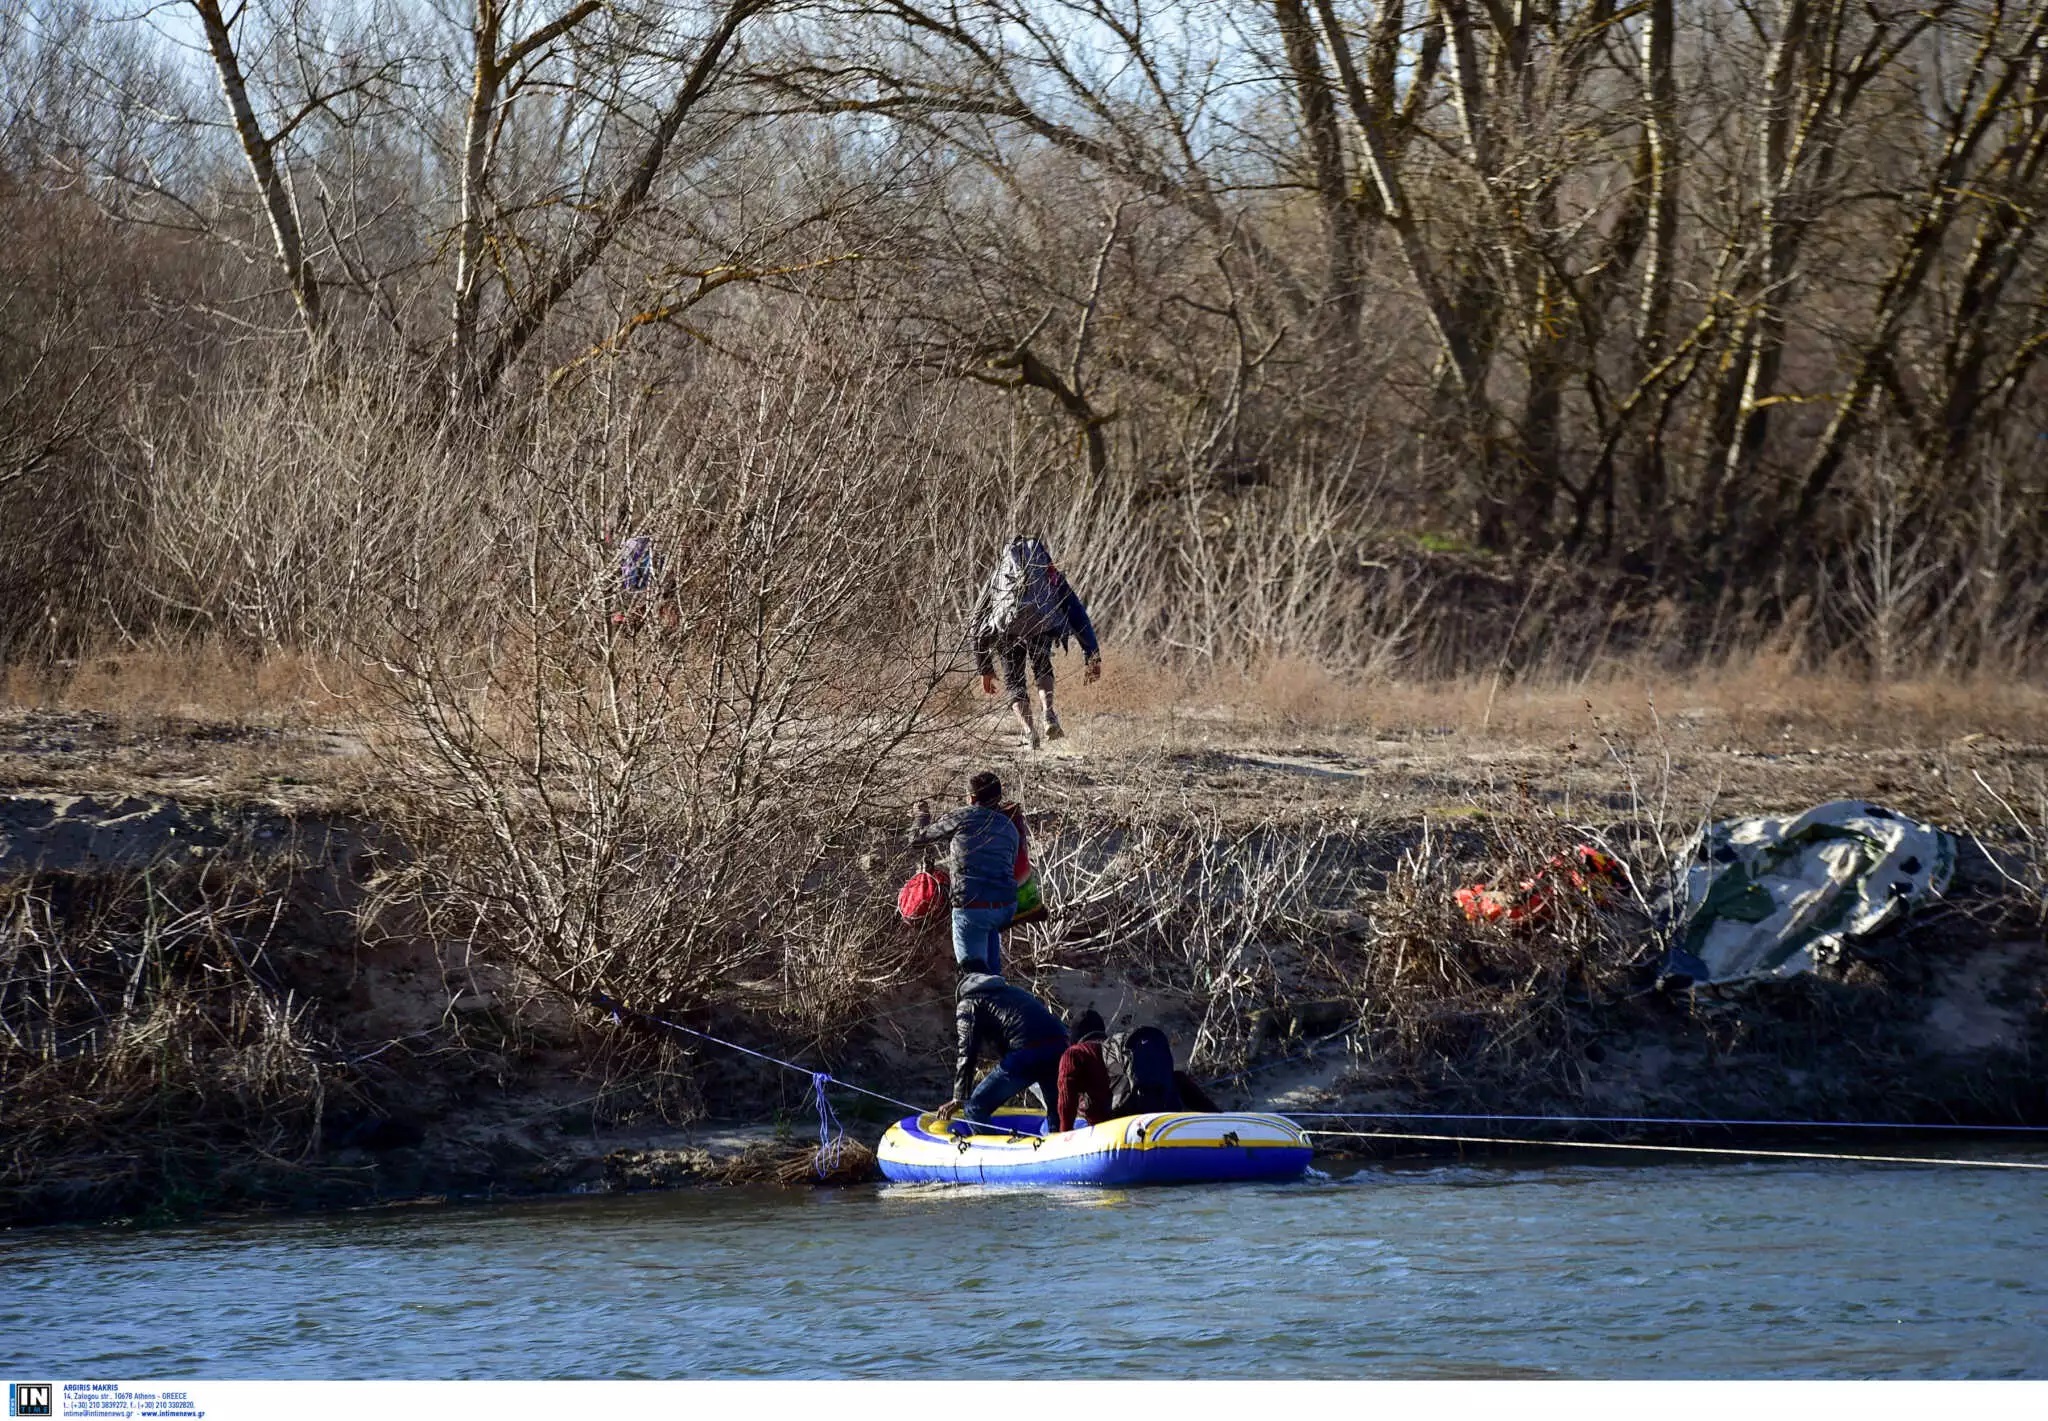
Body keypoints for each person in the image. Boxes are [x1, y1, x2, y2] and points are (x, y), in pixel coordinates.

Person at [971, 536, 1102, 749]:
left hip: (1007, 632)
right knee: (1042, 666)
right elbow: (1077, 613)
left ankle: (1030, 732)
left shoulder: (998, 577)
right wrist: (1092, 653)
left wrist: (984, 666)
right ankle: (1048, 713)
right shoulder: (1049, 576)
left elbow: (977, 620)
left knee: (1014, 680)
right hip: (1041, 626)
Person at [907, 769, 1021, 975]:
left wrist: (921, 816)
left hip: (973, 905)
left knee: (973, 977)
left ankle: (977, 997)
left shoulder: (961, 817)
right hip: (1005, 906)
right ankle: (996, 990)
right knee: (990, 966)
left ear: (971, 797)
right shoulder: (1009, 827)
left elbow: (916, 840)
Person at [937, 958, 1070, 1132]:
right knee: (1055, 1113)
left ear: (961, 981)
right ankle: (1055, 1152)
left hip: (1027, 1054)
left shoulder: (969, 1001)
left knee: (974, 1108)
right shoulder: (1011, 991)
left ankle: (993, 1154)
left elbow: (967, 1051)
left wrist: (959, 1097)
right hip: (1060, 1046)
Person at [1102, 1024, 1221, 1117]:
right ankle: (1219, 1117)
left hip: (1129, 1114)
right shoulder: (1174, 1077)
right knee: (1178, 1077)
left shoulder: (1105, 1051)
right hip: (1167, 1108)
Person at [1053, 1009, 1113, 1134]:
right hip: (1132, 1120)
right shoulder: (1115, 1049)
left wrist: (1065, 1133)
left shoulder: (1074, 1053)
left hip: (1103, 1127)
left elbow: (1066, 1099)